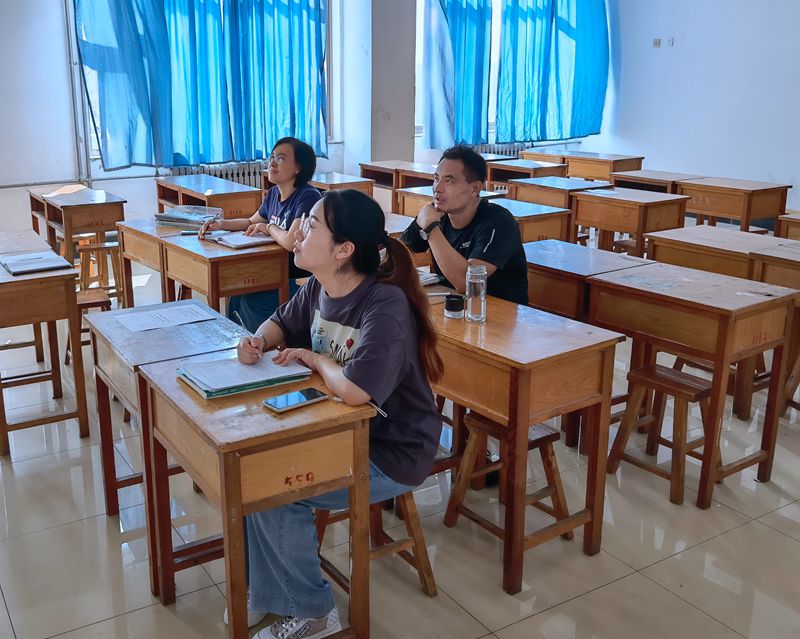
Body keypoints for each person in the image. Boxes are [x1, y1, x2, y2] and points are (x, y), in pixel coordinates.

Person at [232, 189, 444, 639]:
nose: (298, 231)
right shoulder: (319, 286)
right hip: (339, 431)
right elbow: (280, 322)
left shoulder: (384, 305)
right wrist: (257, 341)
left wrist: (316, 359)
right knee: (253, 473)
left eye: (311, 225)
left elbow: (355, 390)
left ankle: (314, 614)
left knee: (278, 491)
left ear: (344, 249)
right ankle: (269, 593)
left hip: (391, 450)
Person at [199, 137, 320, 332]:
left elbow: (290, 242)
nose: (272, 163)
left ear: (298, 167)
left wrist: (270, 227)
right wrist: (220, 224)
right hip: (269, 266)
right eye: (272, 157)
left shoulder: (307, 196)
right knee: (236, 292)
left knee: (250, 299)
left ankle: (266, 341)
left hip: (292, 274)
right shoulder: (273, 194)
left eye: (281, 158)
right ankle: (241, 338)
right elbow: (251, 222)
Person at [400, 144, 528, 304]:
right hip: (455, 306)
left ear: (474, 189)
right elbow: (395, 254)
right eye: (436, 179)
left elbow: (466, 282)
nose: (437, 188)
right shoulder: (435, 214)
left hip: (496, 311)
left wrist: (430, 229)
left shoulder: (499, 222)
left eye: (449, 181)